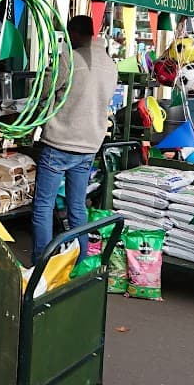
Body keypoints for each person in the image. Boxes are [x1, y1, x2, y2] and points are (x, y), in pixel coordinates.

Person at [31, 15, 117, 264]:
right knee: (77, 207)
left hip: (60, 142)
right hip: (89, 144)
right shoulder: (110, 65)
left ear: (75, 34)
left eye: (68, 35)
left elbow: (45, 89)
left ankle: (41, 264)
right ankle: (80, 261)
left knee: (43, 206)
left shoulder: (69, 58)